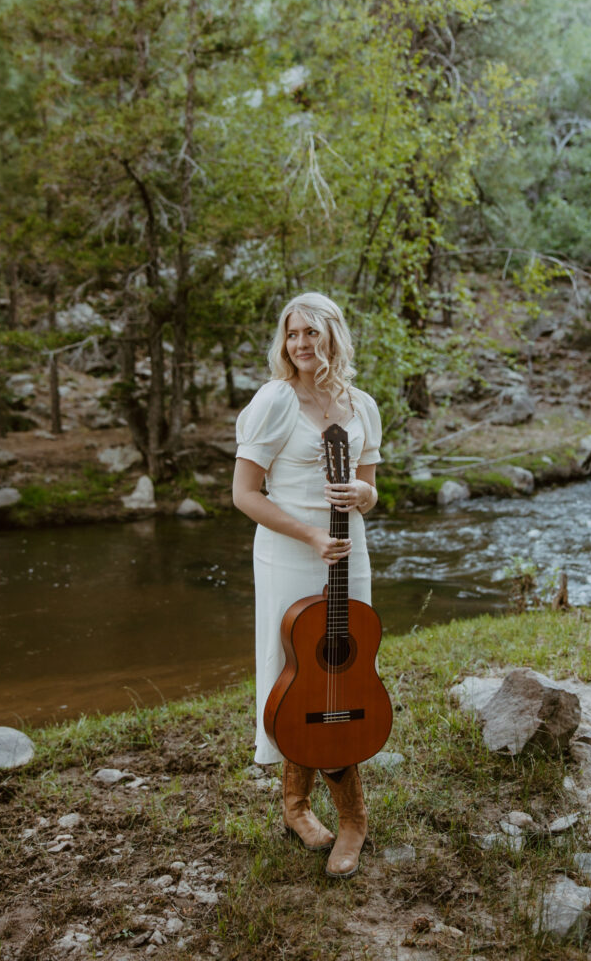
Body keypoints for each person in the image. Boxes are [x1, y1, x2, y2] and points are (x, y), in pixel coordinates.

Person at [232, 291, 381, 878]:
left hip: (351, 555)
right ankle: (296, 807)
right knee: (296, 674)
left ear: (333, 336)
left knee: (345, 672)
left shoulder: (361, 405)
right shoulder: (274, 401)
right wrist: (311, 537)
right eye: (292, 334)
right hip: (290, 556)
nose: (301, 345)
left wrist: (364, 496)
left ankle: (352, 820)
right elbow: (245, 495)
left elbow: (370, 490)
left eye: (311, 334)